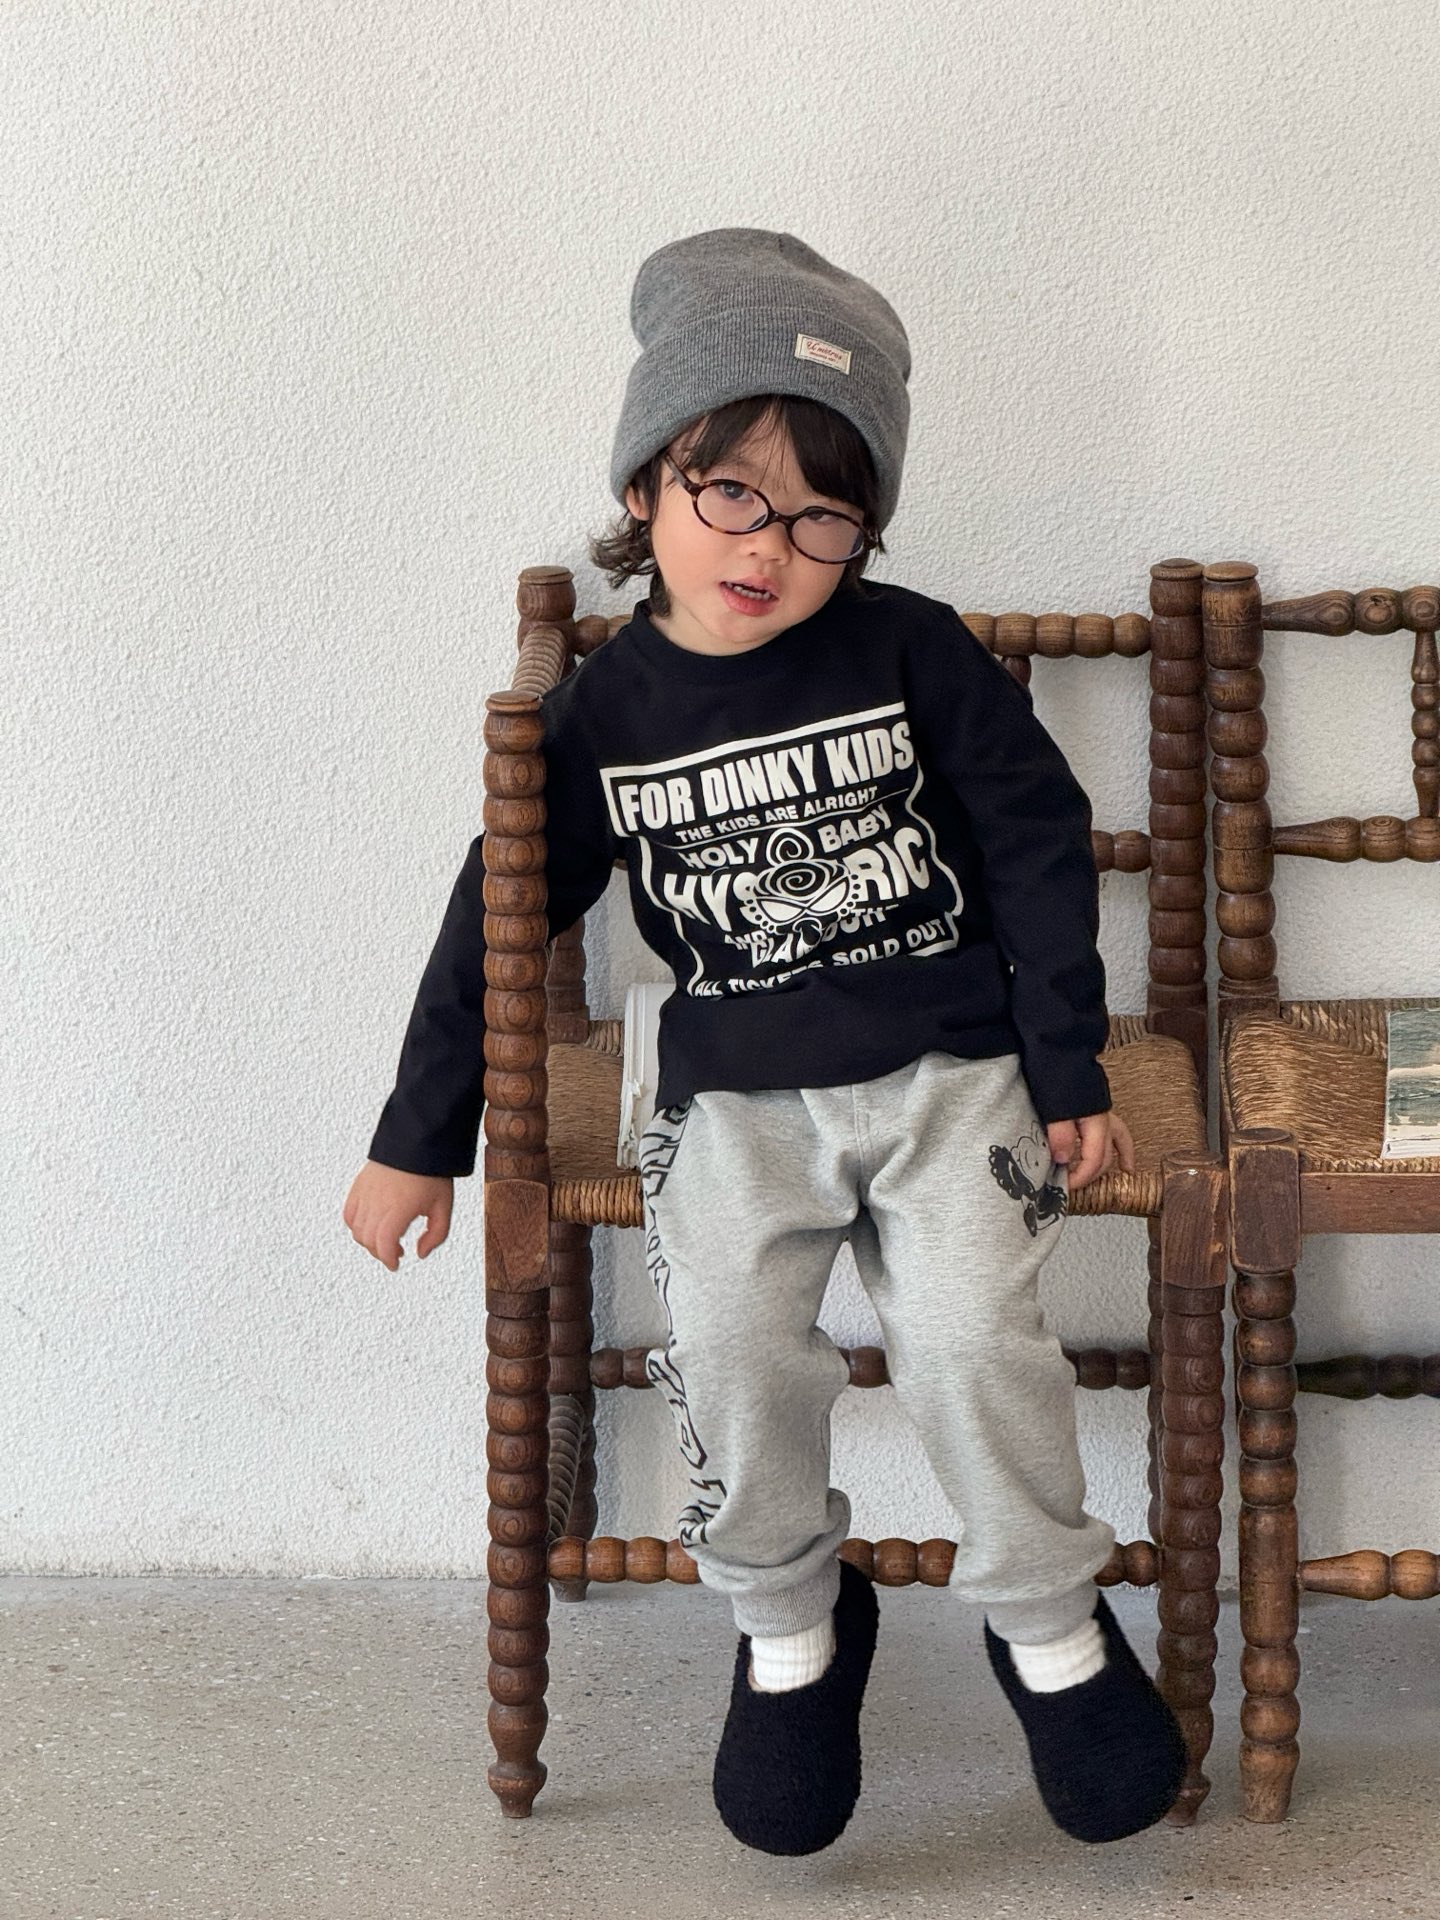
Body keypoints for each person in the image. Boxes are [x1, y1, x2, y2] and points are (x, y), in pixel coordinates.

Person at [343, 228, 1186, 1857]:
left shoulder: (911, 650)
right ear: (648, 483)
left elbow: (1037, 844)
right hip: (734, 1097)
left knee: (971, 1342)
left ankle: (1052, 1631)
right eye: (733, 492)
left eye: (823, 515)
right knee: (730, 1347)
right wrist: (414, 1137)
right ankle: (793, 1629)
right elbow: (491, 923)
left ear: (863, 530)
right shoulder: (599, 721)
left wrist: (1067, 1062)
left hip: (952, 1075)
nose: (771, 546)